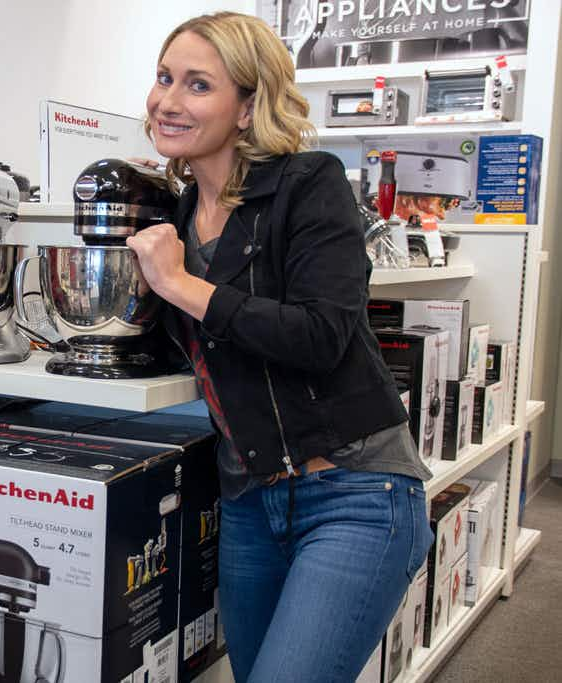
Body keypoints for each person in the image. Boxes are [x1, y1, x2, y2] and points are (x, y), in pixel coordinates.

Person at [125, 13, 435, 682]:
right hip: (248, 504)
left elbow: (322, 334)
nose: (168, 100)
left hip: (354, 491)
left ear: (246, 107)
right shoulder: (173, 217)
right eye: (163, 78)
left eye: (198, 84)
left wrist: (181, 283)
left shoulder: (308, 184)